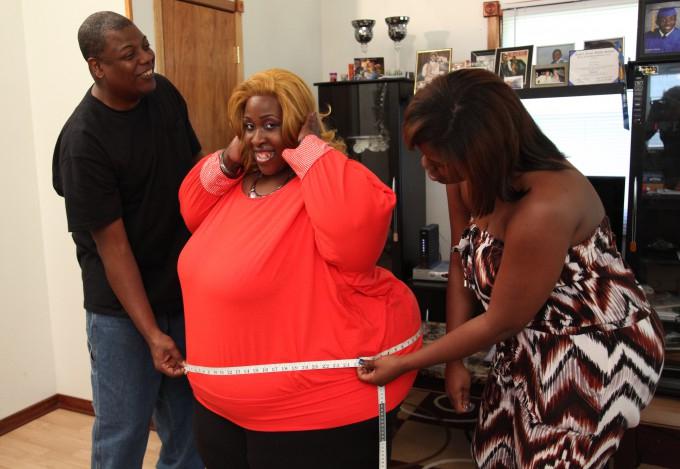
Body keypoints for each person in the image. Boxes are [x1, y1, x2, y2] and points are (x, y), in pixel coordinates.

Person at [357, 68, 665, 468]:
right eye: (426, 156)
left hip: (590, 345)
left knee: (550, 458)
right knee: (497, 450)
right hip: (523, 336)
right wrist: (453, 360)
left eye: (438, 161)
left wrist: (406, 362)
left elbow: (501, 321)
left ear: (484, 151)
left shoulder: (545, 206)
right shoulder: (465, 173)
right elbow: (460, 258)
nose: (428, 168)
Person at [177, 68, 421, 469]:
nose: (258, 137)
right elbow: (190, 205)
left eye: (272, 125)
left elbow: (355, 239)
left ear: (299, 124)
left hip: (314, 414)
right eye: (249, 126)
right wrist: (236, 151)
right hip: (219, 411)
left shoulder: (324, 184)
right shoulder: (233, 188)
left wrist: (308, 148)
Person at [52, 11, 203, 469]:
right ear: (98, 67)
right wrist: (153, 334)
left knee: (190, 431)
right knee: (123, 435)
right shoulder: (84, 141)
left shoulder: (163, 94)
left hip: (180, 295)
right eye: (129, 54)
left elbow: (196, 174)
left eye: (145, 46)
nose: (146, 58)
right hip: (121, 314)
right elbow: (113, 249)